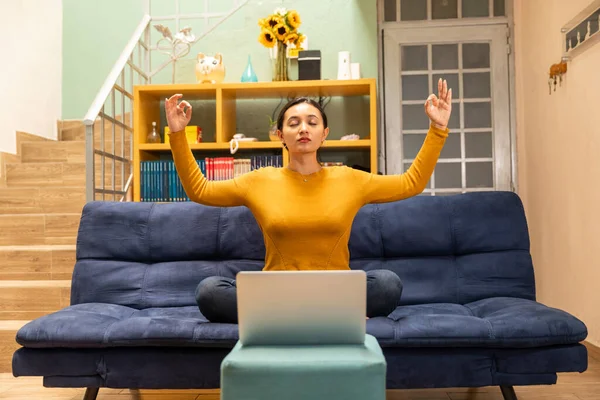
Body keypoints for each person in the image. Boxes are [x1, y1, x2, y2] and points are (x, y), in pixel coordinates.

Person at [165, 78, 452, 324]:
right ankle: (328, 315)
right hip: (276, 292)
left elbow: (411, 182)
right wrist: (178, 133)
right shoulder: (259, 180)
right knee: (210, 291)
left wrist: (437, 129)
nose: (303, 128)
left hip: (334, 290)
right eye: (294, 123)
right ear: (281, 136)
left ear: (324, 134)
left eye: (312, 122)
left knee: (387, 284)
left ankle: (287, 317)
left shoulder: (350, 179)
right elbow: (199, 190)